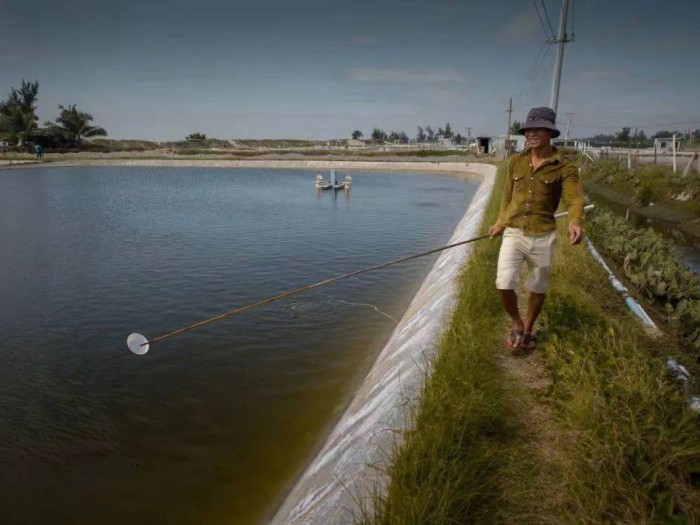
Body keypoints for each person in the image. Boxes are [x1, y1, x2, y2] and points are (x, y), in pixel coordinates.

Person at [488, 106, 584, 355]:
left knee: (538, 287)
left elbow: (574, 198)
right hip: (514, 231)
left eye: (537, 129)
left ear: (550, 132)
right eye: (529, 129)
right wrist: (500, 223)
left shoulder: (564, 167)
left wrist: (575, 221)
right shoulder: (515, 162)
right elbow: (507, 197)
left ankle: (528, 328)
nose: (531, 133)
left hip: (543, 234)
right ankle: (517, 323)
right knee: (504, 282)